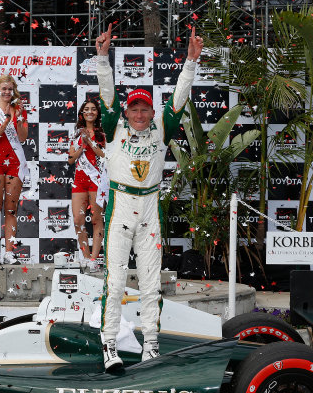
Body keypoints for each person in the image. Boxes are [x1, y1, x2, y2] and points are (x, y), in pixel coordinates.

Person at [95, 24, 204, 370]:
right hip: (120, 207)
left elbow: (180, 96)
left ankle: (151, 345)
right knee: (114, 284)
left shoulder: (162, 127)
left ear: (151, 112)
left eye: (145, 109)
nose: (140, 115)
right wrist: (101, 58)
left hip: (151, 209)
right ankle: (109, 345)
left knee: (151, 283)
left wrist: (190, 62)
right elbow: (107, 91)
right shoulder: (114, 124)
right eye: (134, 110)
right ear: (126, 112)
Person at [0, 75, 29, 265]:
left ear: (14, 91)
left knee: (11, 209)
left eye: (10, 89)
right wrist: (4, 123)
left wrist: (18, 121)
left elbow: (23, 137)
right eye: (4, 89)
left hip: (15, 162)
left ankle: (9, 252)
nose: (7, 92)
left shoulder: (20, 109)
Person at [68, 99, 106, 271]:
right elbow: (70, 159)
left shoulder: (102, 132)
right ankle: (85, 256)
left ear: (97, 113)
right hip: (80, 180)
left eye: (93, 109)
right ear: (82, 113)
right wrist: (81, 146)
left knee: (96, 219)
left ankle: (94, 259)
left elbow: (103, 154)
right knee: (78, 220)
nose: (90, 112)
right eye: (86, 109)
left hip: (97, 180)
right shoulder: (76, 133)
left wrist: (90, 142)